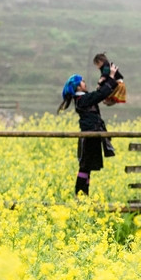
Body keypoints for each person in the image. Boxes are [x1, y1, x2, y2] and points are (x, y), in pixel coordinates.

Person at [57, 64, 119, 196]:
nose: (85, 83)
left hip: (92, 135)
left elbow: (98, 93)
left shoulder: (82, 99)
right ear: (78, 87)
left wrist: (104, 81)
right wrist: (112, 77)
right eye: (83, 82)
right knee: (85, 167)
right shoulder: (82, 99)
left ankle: (83, 195)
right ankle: (80, 194)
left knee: (87, 167)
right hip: (90, 136)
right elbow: (100, 95)